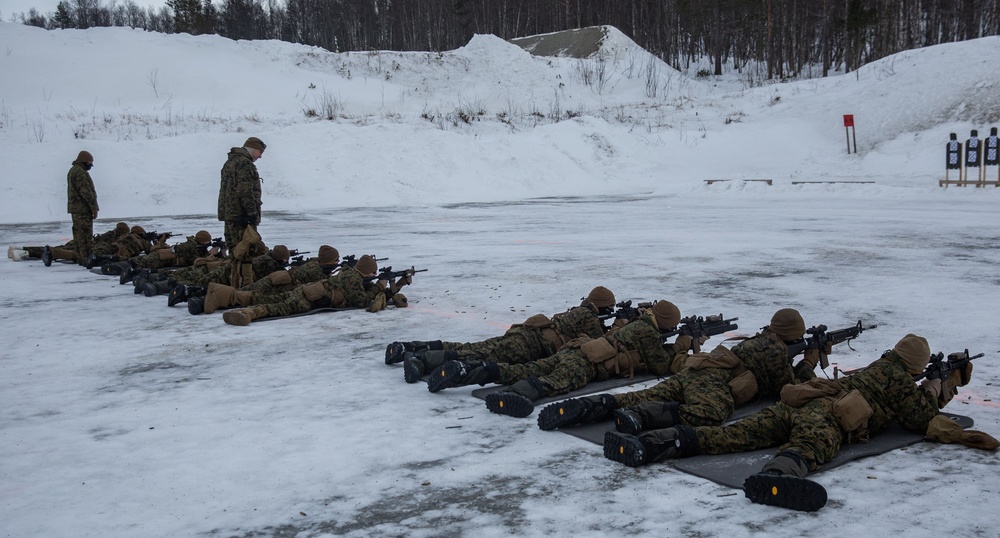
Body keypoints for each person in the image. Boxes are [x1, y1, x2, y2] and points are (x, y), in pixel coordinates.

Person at [602, 334, 970, 512]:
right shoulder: (904, 385)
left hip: (798, 402)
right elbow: (923, 421)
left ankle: (657, 443)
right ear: (916, 367)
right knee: (810, 447)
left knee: (733, 435)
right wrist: (941, 388)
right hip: (823, 415)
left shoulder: (880, 367)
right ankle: (777, 479)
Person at [537, 308, 817, 432]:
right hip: (712, 383)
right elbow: (787, 390)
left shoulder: (762, 339)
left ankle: (594, 405)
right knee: (710, 414)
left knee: (645, 393)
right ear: (794, 333)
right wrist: (808, 363)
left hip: (695, 372)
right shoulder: (776, 350)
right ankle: (641, 417)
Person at [425, 301, 688, 419]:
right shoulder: (648, 333)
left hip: (572, 350)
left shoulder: (637, 327)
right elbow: (662, 366)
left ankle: (471, 371)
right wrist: (682, 346)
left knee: (524, 368)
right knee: (552, 383)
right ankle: (515, 395)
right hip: (586, 363)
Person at [387, 286, 618, 383]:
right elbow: (603, 342)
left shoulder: (579, 311)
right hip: (528, 346)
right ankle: (423, 360)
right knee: (479, 355)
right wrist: (620, 325)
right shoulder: (589, 317)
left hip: (523, 335)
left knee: (475, 346)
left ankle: (411, 348)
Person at [220, 254, 410, 326]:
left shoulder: (348, 273)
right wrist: (379, 286)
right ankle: (248, 314)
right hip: (310, 299)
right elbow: (360, 301)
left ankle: (233, 300)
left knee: (271, 299)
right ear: (368, 272)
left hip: (308, 290)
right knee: (278, 308)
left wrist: (397, 283)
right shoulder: (353, 279)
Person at [219, 137, 266, 250]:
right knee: (246, 253)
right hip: (242, 217)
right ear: (253, 149)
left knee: (234, 252)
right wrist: (251, 214)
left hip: (230, 216)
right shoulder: (244, 164)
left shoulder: (230, 163)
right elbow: (245, 191)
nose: (260, 156)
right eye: (260, 152)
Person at [66, 150, 99, 266]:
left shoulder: (73, 171)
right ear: (85, 162)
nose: (90, 166)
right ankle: (87, 259)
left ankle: (80, 258)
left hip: (76, 209)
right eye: (90, 163)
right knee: (85, 236)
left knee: (78, 235)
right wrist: (94, 207)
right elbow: (86, 192)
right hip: (82, 210)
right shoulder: (80, 172)